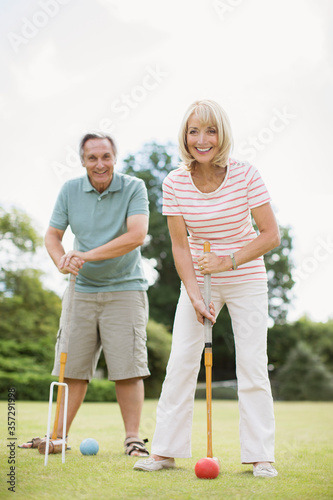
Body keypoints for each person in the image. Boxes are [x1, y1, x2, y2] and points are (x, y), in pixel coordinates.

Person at [134, 100, 280, 477]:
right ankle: (164, 451)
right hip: (200, 279)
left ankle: (260, 456)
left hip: (245, 276)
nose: (202, 139)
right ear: (185, 137)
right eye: (194, 131)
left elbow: (270, 235)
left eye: (211, 131)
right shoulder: (174, 182)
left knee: (252, 364)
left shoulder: (246, 175)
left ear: (222, 135)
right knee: (182, 361)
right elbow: (180, 246)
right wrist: (196, 295)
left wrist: (228, 261)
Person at [20, 133, 150, 457]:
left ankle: (133, 439)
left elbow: (136, 235)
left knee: (128, 368)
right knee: (73, 367)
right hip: (81, 290)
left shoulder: (134, 187)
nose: (100, 164)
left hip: (125, 288)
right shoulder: (70, 190)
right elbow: (52, 235)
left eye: (105, 156)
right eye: (92, 158)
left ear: (115, 158)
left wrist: (86, 255)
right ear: (82, 161)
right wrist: (61, 260)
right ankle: (58, 437)